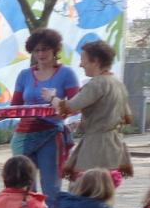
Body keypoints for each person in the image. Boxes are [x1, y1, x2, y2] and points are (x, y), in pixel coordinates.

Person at [10, 28, 80, 198]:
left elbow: (76, 106)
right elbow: (15, 106)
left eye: (45, 48)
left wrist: (56, 103)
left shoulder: (67, 74)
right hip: (24, 136)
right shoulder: (24, 75)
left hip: (51, 135)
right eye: (37, 50)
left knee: (51, 188)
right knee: (24, 187)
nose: (41, 53)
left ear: (55, 50)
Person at [52, 40, 134, 180]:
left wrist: (51, 97)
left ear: (95, 61)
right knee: (105, 190)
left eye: (83, 60)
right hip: (114, 146)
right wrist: (88, 122)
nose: (81, 64)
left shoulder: (97, 84)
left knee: (87, 187)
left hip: (96, 148)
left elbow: (68, 107)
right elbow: (125, 116)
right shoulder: (117, 83)